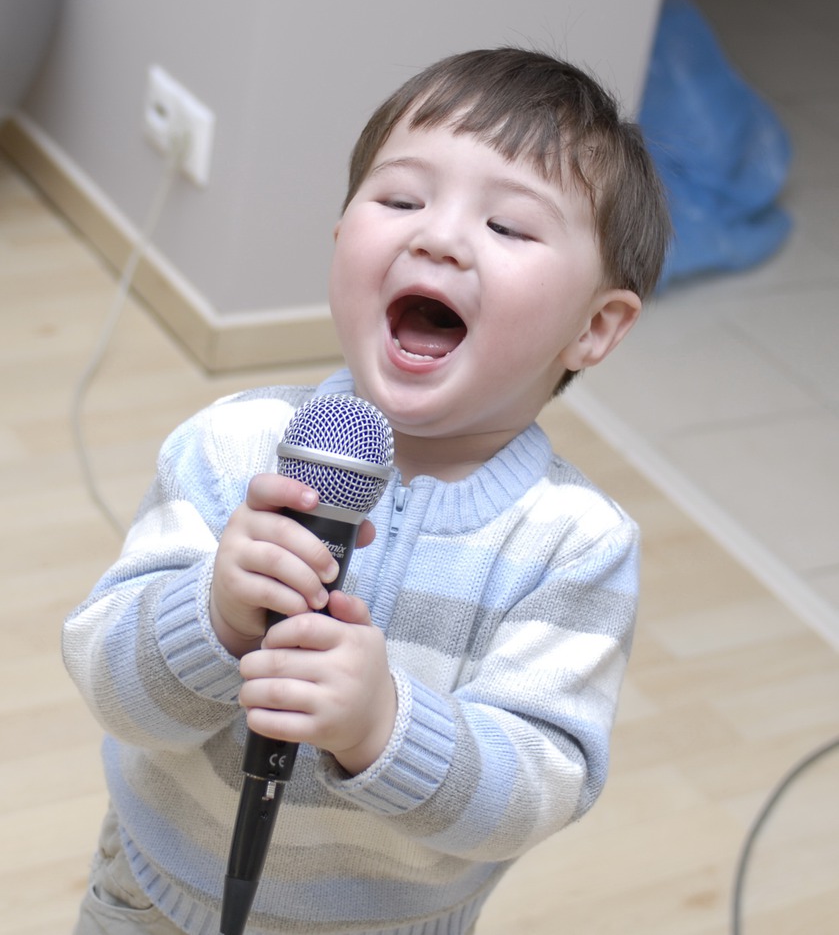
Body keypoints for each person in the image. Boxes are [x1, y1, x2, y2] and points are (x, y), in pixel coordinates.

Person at [64, 47, 670, 935]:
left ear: (595, 327)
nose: (437, 236)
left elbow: (538, 787)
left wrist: (384, 725)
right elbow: (111, 686)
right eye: (399, 200)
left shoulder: (571, 545)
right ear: (342, 237)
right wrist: (214, 616)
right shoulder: (232, 447)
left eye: (508, 227)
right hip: (156, 892)